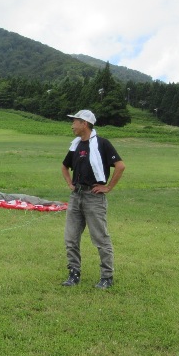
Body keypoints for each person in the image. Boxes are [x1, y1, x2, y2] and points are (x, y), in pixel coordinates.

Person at [60, 109, 126, 289]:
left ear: (85, 123)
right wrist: (70, 184)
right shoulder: (75, 145)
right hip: (76, 196)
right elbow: (64, 167)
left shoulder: (103, 144)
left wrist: (108, 187)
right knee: (70, 237)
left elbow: (120, 166)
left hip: (94, 198)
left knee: (100, 238)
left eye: (75, 121)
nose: (72, 125)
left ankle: (107, 276)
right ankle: (74, 274)